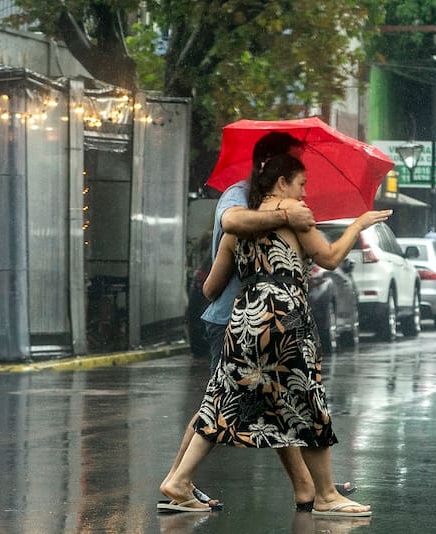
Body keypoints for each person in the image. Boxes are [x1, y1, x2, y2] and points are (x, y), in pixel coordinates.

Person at [161, 153, 390, 517]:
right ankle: (327, 495)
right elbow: (329, 258)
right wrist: (358, 224)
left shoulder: (241, 225)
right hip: (286, 318)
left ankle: (179, 478)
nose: (304, 193)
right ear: (282, 182)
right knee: (307, 400)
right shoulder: (296, 215)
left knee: (225, 401)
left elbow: (209, 288)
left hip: (245, 321)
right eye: (301, 183)